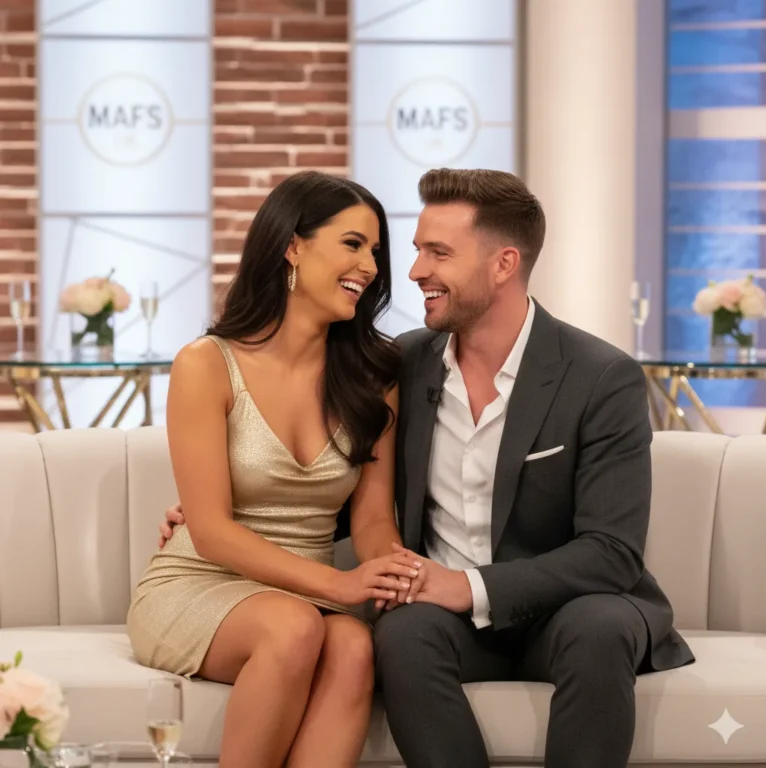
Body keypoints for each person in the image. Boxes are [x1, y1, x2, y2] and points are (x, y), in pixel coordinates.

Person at [160, 168, 695, 768]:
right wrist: (216, 510)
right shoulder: (402, 365)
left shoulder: (601, 376)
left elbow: (612, 552)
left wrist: (467, 587)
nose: (411, 272)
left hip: (567, 607)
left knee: (599, 628)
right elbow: (356, 488)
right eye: (414, 252)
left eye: (436, 253)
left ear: (503, 264)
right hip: (433, 613)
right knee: (402, 635)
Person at [127, 170, 425, 768]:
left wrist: (391, 573)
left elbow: (371, 520)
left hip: (305, 593)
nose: (369, 266)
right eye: (352, 244)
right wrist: (341, 586)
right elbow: (209, 531)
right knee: (293, 630)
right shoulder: (205, 364)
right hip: (199, 583)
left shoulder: (375, 374)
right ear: (292, 245)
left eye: (375, 251)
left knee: (354, 648)